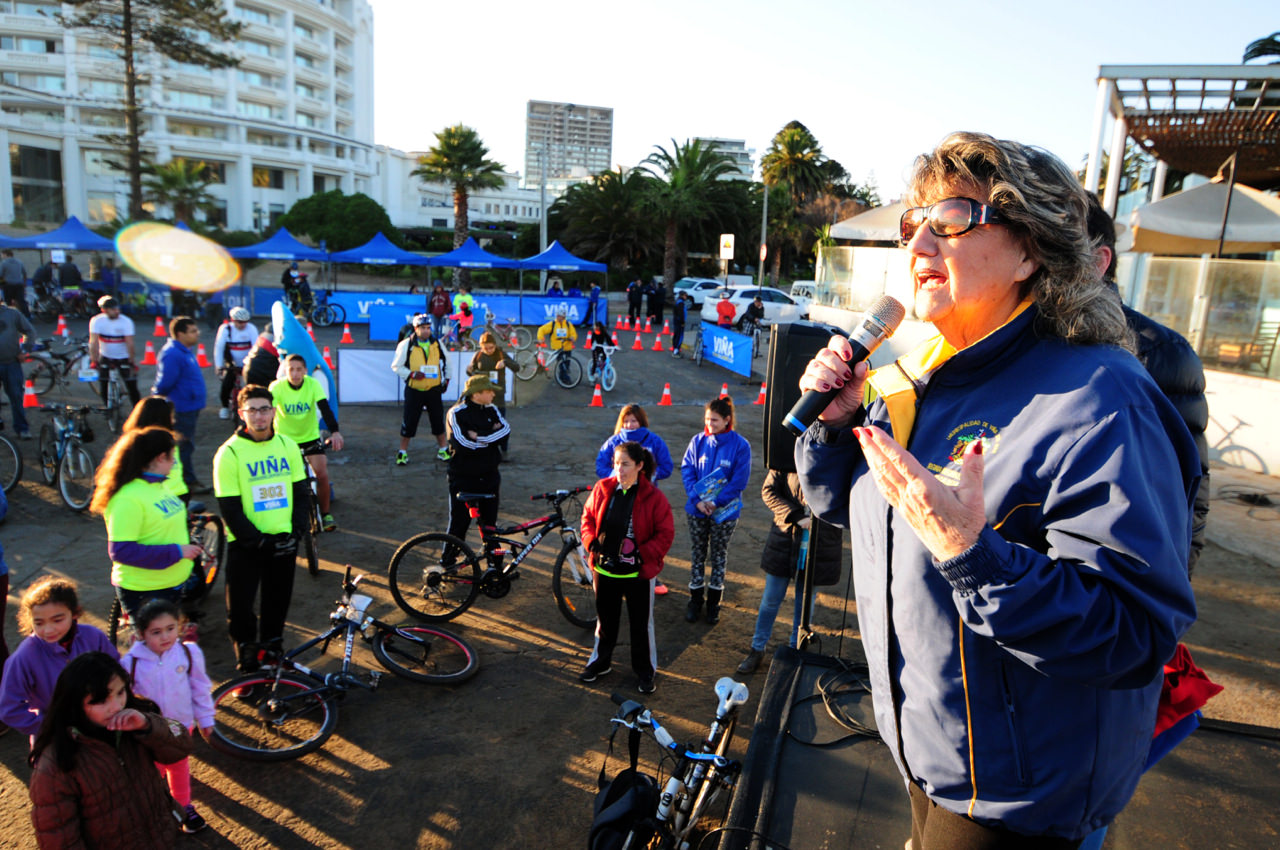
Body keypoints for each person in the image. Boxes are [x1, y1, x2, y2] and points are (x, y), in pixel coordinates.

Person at [795, 131, 1198, 847]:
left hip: (1017, 802)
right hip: (926, 757)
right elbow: (847, 511)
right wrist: (837, 427)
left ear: (1030, 249)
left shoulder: (1101, 399)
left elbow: (1133, 634)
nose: (918, 246)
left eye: (950, 220)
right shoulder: (923, 372)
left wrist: (972, 554)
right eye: (911, 226)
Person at [1086, 193, 1211, 578]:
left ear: (1098, 261)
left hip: (1120, 584)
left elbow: (1189, 488)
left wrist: (1170, 587)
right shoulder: (1025, 340)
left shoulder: (1161, 352)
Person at [28, 651, 194, 849]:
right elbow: (59, 837)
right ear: (74, 704)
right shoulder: (57, 762)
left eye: (120, 693)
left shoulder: (137, 721)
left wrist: (148, 726)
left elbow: (181, 746)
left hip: (163, 837)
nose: (116, 706)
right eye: (100, 700)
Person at [213, 384, 308, 672]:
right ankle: (247, 658)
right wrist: (256, 541)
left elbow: (301, 494)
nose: (259, 416)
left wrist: (296, 532)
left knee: (276, 604)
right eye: (252, 410)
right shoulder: (228, 453)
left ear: (273, 411)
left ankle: (272, 651)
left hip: (283, 541)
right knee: (241, 609)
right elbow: (229, 507)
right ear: (241, 414)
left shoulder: (287, 445)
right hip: (246, 546)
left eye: (264, 409)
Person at [578, 441, 674, 694]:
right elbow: (587, 518)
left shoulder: (654, 497)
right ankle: (600, 663)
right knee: (605, 621)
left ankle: (645, 671)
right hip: (605, 570)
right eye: (616, 464)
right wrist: (589, 542)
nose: (618, 469)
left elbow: (665, 534)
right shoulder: (603, 488)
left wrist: (642, 555)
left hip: (638, 574)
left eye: (625, 464)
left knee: (641, 625)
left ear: (640, 466)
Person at [736, 469, 844, 674]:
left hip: (819, 544)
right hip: (785, 540)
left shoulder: (833, 459)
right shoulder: (787, 456)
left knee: (804, 604)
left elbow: (845, 498)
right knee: (770, 599)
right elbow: (769, 491)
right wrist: (796, 516)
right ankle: (757, 649)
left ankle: (796, 652)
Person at [91, 426, 201, 623]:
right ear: (160, 458)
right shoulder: (127, 499)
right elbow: (122, 551)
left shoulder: (159, 485)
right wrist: (177, 552)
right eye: (172, 456)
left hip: (169, 585)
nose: (175, 461)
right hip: (147, 591)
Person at [123, 599, 214, 834]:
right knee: (152, 770)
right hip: (147, 730)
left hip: (180, 726)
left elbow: (200, 687)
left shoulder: (188, 653)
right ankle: (153, 807)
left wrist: (205, 719)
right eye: (156, 632)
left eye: (170, 629)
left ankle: (183, 807)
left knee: (178, 765)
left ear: (179, 626)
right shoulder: (130, 662)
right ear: (142, 633)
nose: (165, 636)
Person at [0, 579, 117, 740]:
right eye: (39, 623)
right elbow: (9, 708)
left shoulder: (93, 636)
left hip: (103, 726)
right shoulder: (24, 656)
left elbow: (117, 673)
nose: (48, 630)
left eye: (57, 620)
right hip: (56, 740)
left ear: (75, 613)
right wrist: (51, 728)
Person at [680, 396, 751, 625]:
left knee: (718, 555)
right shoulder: (697, 441)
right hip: (697, 509)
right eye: (707, 419)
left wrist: (716, 502)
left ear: (727, 420)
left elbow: (739, 481)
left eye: (715, 420)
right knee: (698, 554)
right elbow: (687, 470)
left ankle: (714, 604)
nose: (709, 424)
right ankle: (695, 600)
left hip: (725, 512)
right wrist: (698, 500)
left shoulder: (741, 446)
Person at [270, 354, 344, 530]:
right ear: (285, 371)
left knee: (322, 475)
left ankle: (326, 515)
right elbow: (270, 413)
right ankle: (284, 515)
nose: (294, 374)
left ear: (305, 371)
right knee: (283, 479)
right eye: (291, 369)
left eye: (298, 370)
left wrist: (335, 432)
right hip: (284, 440)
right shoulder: (276, 387)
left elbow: (325, 409)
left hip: (310, 438)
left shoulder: (313, 384)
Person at [444, 375, 510, 556]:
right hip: (463, 476)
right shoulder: (456, 412)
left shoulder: (492, 409)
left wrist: (479, 436)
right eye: (489, 391)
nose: (493, 395)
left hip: (490, 475)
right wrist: (490, 435)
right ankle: (447, 564)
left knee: (490, 525)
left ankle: (493, 565)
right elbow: (463, 444)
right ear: (476, 394)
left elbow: (505, 431)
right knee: (459, 523)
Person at [151, 316, 209, 494]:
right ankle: (186, 482)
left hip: (190, 405)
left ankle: (186, 479)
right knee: (183, 446)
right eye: (192, 331)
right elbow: (165, 383)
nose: (196, 333)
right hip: (181, 408)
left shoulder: (184, 350)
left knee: (187, 445)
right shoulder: (172, 354)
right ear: (180, 333)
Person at [393, 314, 450, 465]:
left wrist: (447, 379)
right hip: (414, 389)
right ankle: (402, 452)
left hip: (433, 389)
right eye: (423, 328)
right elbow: (396, 366)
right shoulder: (406, 344)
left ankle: (443, 449)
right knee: (409, 421)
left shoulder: (437, 343)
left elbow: (447, 361)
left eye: (428, 328)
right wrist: (411, 374)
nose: (426, 331)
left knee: (437, 420)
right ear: (416, 329)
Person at [122, 396, 189, 503]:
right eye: (171, 416)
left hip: (165, 495)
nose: (174, 420)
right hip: (169, 496)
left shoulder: (132, 443)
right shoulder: (164, 442)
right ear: (161, 419)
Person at [466, 331, 515, 456]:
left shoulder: (500, 354)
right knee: (481, 423)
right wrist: (469, 370)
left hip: (498, 395)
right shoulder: (478, 355)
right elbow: (471, 372)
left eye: (491, 347)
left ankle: (504, 450)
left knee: (500, 424)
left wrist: (506, 362)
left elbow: (517, 367)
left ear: (495, 345)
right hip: (482, 396)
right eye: (485, 348)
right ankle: (484, 449)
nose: (488, 350)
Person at [88, 295, 141, 408]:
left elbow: (130, 343)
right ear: (104, 310)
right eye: (113, 310)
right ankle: (108, 408)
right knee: (103, 383)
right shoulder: (97, 321)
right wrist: (94, 360)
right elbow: (93, 342)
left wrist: (131, 361)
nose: (117, 312)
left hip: (123, 356)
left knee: (132, 387)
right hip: (105, 355)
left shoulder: (126, 322)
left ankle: (138, 411)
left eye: (118, 309)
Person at [0, 291, 35, 440]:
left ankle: (22, 428)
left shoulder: (12, 314)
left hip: (11, 363)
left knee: (16, 397)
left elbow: (29, 331)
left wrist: (25, 350)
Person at [214, 306, 258, 420]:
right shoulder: (225, 329)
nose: (243, 325)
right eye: (239, 322)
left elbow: (256, 348)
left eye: (245, 322)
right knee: (226, 384)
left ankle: (251, 406)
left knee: (252, 385)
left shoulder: (251, 329)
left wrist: (251, 364)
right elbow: (219, 348)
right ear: (232, 320)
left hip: (248, 361)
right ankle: (224, 407)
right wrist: (219, 366)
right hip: (232, 361)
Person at [0, 248, 28, 317]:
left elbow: (0, 275)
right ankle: (27, 315)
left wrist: (2, 285)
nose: (1, 256)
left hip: (8, 285)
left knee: (8, 301)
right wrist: (24, 283)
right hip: (19, 284)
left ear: (5, 254)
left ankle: (10, 317)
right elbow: (24, 273)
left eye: (2, 255)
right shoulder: (19, 262)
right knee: (21, 301)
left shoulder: (4, 263)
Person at [670, 291, 689, 358]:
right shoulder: (681, 303)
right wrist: (682, 322)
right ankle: (676, 351)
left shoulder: (677, 302)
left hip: (676, 321)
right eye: (685, 296)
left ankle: (675, 349)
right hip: (679, 322)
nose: (686, 297)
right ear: (682, 295)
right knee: (679, 336)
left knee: (676, 335)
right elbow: (681, 314)